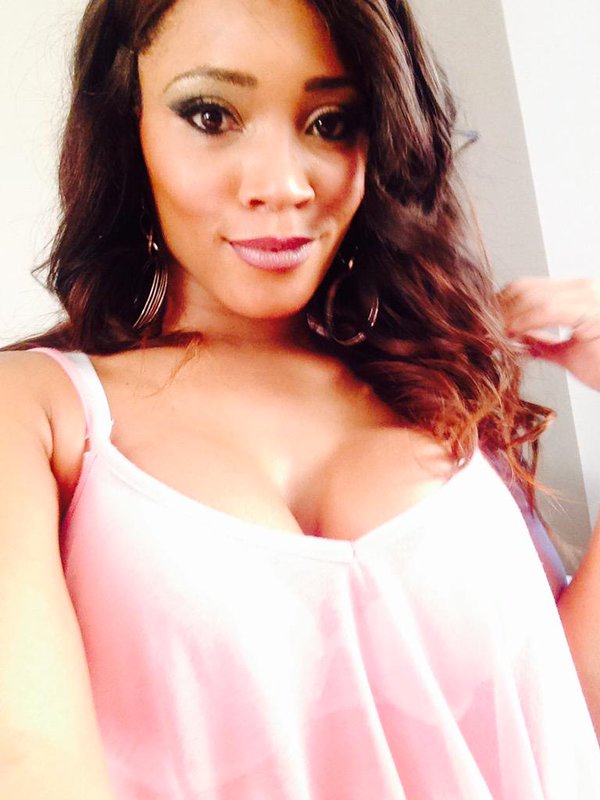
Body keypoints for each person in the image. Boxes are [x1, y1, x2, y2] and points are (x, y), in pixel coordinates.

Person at [1, 0, 598, 797]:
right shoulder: (37, 414)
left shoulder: (439, 391)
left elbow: (556, 724)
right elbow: (28, 760)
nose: (282, 186)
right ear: (126, 122)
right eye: (211, 115)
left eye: (330, 122)